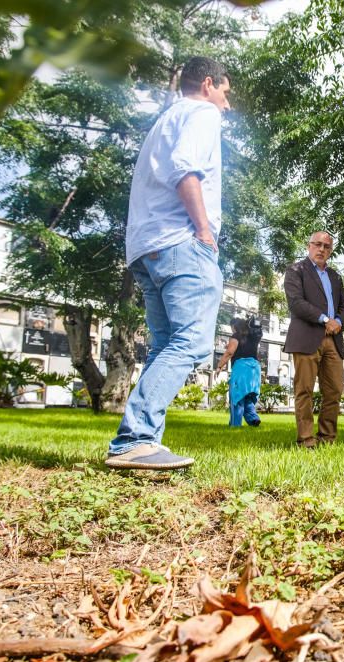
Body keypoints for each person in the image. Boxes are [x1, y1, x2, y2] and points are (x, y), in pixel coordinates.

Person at [106, 56, 231, 470]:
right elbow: (185, 170)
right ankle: (134, 439)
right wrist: (205, 231)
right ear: (209, 84)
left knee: (164, 346)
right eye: (225, 93)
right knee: (192, 343)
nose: (227, 105)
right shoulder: (201, 113)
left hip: (147, 247)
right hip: (181, 242)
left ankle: (143, 446)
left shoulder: (164, 121)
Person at [283, 231, 344, 448]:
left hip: (333, 339)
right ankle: (306, 440)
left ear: (330, 251)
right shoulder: (296, 270)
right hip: (306, 337)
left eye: (327, 246)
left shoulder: (335, 276)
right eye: (318, 244)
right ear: (309, 245)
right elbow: (296, 302)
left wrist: (338, 320)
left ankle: (327, 438)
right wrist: (324, 320)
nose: (322, 249)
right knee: (304, 390)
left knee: (333, 391)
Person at [214, 317, 262, 428]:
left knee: (237, 397)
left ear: (234, 327)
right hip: (255, 369)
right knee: (248, 396)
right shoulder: (253, 337)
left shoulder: (236, 336)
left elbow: (229, 352)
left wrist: (219, 366)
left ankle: (235, 426)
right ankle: (253, 419)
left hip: (242, 369)